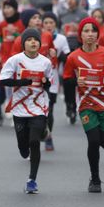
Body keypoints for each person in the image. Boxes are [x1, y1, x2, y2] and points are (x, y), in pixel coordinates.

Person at [63, 17, 104, 193]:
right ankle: (95, 178)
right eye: (85, 31)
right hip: (86, 104)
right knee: (93, 141)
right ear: (80, 34)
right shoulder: (73, 57)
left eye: (93, 31)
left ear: (97, 34)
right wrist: (75, 82)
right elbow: (66, 80)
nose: (89, 34)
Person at [0, 28, 53, 194]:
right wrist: (21, 82)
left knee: (34, 142)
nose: (33, 42)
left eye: (35, 39)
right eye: (29, 39)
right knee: (23, 148)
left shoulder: (45, 62)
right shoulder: (15, 60)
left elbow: (49, 83)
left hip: (38, 106)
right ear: (24, 43)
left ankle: (32, 180)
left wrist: (44, 82)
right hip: (20, 108)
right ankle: (25, 148)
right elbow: (3, 80)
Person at [41, 12, 70, 151]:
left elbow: (67, 56)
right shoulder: (36, 38)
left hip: (53, 78)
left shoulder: (61, 39)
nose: (48, 25)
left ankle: (49, 136)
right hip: (37, 78)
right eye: (45, 22)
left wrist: (63, 57)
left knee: (50, 110)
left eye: (51, 22)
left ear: (55, 24)